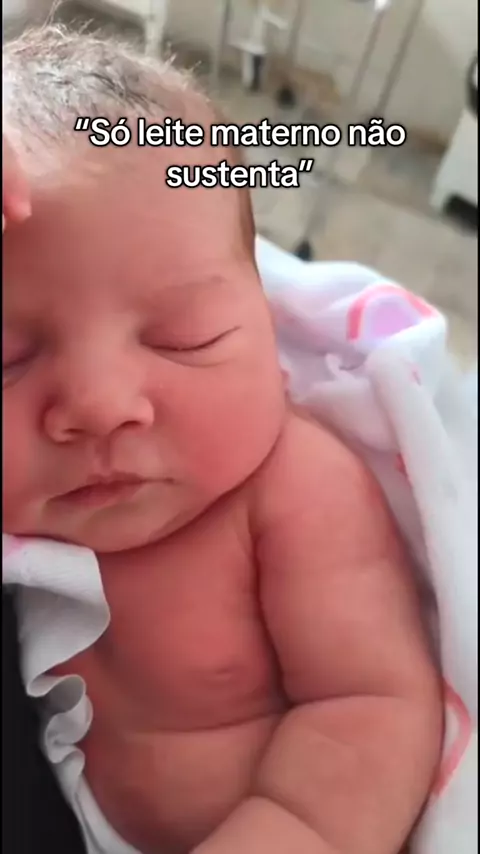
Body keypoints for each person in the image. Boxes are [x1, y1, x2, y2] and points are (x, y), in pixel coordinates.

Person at [3, 26, 442, 854]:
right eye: (8, 362)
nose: (100, 407)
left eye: (185, 338)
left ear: (270, 330)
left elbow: (372, 708)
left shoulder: (295, 493)